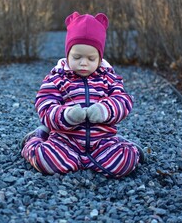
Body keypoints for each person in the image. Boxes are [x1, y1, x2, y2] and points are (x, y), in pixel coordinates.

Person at [20, 11, 145, 178]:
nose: (84, 63)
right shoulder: (57, 79)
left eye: (91, 58)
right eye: (77, 57)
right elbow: (45, 105)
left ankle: (123, 145)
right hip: (66, 141)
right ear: (67, 54)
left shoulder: (108, 78)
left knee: (124, 163)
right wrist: (66, 115)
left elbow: (123, 100)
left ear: (100, 58)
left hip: (102, 141)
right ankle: (36, 138)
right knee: (45, 159)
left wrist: (105, 110)